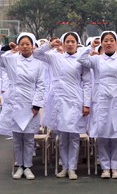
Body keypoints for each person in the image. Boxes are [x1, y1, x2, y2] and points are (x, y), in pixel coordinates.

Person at [33, 32, 91, 180]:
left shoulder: (81, 59)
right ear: (63, 44)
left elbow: (87, 83)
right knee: (62, 137)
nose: (70, 44)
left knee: (74, 137)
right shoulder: (56, 57)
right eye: (67, 41)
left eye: (73, 41)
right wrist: (50, 45)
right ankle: (64, 166)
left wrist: (86, 104)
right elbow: (37, 54)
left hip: (76, 100)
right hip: (59, 101)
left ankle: (72, 168)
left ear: (77, 43)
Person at [0, 33, 45, 181]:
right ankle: (20, 165)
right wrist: (7, 47)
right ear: (18, 46)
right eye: (22, 44)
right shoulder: (11, 59)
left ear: (32, 46)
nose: (25, 46)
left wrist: (36, 105)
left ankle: (28, 166)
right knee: (17, 139)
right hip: (14, 103)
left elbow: (41, 85)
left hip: (30, 105)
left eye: (28, 44)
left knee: (29, 138)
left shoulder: (39, 64)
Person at [78, 31, 117, 179]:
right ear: (101, 43)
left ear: (116, 42)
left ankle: (115, 167)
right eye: (105, 40)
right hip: (101, 100)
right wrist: (91, 47)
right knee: (102, 135)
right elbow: (81, 59)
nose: (108, 43)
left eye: (111, 40)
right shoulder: (96, 60)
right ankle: (105, 167)